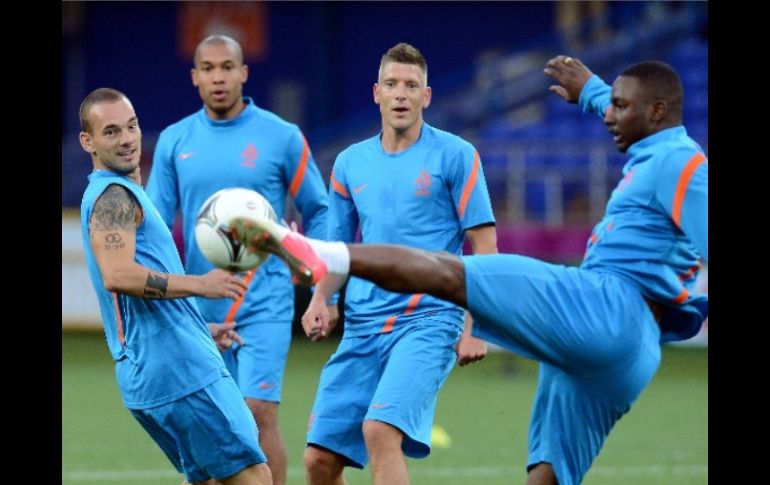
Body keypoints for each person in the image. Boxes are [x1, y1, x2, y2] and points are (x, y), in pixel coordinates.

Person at [237, 56, 708, 485]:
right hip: (630, 350)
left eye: (620, 107)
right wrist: (592, 91)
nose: (610, 115)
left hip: (606, 306)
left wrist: (468, 325)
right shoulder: (657, 151)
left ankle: (321, 254)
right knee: (547, 475)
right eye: (613, 105)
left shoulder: (681, 162)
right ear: (376, 91)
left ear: (659, 112)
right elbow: (630, 110)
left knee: (448, 273)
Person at [290, 42, 497, 485]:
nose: (401, 94)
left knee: (380, 430)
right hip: (364, 325)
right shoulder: (350, 163)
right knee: (318, 462)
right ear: (376, 93)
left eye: (411, 85)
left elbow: (485, 247)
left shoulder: (456, 155)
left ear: (427, 96)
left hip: (429, 320)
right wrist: (322, 300)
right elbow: (338, 250)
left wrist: (475, 327)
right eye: (392, 84)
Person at [145, 35, 332, 485]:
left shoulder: (282, 136)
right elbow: (153, 227)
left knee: (258, 410)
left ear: (244, 73)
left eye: (227, 67)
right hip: (200, 303)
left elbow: (320, 210)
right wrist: (167, 294)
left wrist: (322, 286)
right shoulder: (175, 141)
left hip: (264, 298)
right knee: (208, 422)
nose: (218, 77)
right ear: (194, 77)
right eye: (207, 69)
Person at [78, 87, 272, 485]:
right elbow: (119, 275)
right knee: (253, 476)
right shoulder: (113, 196)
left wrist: (198, 328)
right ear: (88, 141)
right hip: (177, 370)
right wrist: (201, 284)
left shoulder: (122, 193)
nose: (128, 139)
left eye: (131, 127)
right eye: (111, 131)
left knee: (211, 480)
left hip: (157, 368)